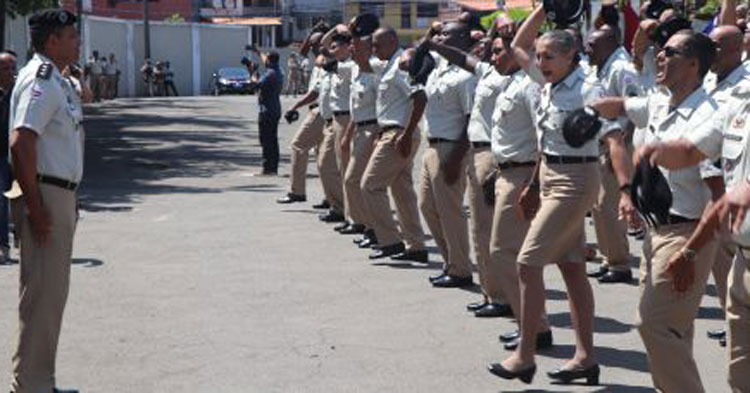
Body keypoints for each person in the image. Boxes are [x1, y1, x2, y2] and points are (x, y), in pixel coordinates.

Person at [489, 6, 634, 384]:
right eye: (539, 56)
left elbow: (615, 138)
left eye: (549, 55)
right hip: (552, 175)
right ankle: (585, 358)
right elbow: (519, 43)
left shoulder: (588, 88)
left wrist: (625, 191)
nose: (540, 61)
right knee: (572, 271)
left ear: (572, 56)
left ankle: (525, 354)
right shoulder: (547, 82)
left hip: (577, 179)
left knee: (527, 262)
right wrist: (545, 7)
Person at [593, 29, 723, 392]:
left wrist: (691, 252)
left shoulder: (708, 117)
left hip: (688, 233)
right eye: (659, 51)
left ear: (694, 64)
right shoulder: (658, 102)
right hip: (656, 233)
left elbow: (718, 197)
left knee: (653, 325)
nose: (659, 57)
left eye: (669, 52)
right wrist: (594, 106)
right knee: (675, 331)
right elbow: (620, 106)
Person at [8, 9, 84, 393]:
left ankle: (39, 381)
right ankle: (31, 386)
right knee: (42, 295)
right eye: (71, 36)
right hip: (45, 194)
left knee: (50, 296)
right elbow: (21, 144)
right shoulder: (40, 81)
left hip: (58, 194)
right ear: (52, 41)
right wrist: (37, 208)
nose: (77, 42)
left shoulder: (59, 80)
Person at [414, 20, 478, 288]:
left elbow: (470, 119)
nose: (439, 38)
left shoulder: (467, 74)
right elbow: (416, 58)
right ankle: (452, 260)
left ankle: (460, 269)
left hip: (452, 148)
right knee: (427, 206)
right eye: (438, 34)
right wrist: (429, 37)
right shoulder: (440, 67)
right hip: (432, 146)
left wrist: (455, 158)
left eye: (445, 34)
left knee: (450, 211)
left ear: (463, 39)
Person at [362, 26, 427, 258]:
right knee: (403, 193)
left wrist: (407, 134)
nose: (374, 49)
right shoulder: (389, 64)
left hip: (399, 134)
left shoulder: (400, 65)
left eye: (377, 45)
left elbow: (420, 96)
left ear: (392, 42)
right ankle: (416, 246)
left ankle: (390, 241)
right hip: (393, 131)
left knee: (370, 186)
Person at [584, 26, 639, 284]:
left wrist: (620, 147)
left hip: (618, 144)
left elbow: (634, 110)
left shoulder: (622, 68)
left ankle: (620, 264)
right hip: (604, 142)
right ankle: (609, 259)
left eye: (593, 45)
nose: (587, 49)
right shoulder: (603, 67)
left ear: (609, 44)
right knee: (598, 206)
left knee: (608, 205)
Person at [337, 35, 382, 238]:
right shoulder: (354, 69)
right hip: (359, 129)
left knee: (356, 180)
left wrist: (378, 134)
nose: (351, 49)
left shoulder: (376, 69)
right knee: (355, 180)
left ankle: (372, 228)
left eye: (356, 46)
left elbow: (382, 106)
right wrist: (348, 134)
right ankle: (363, 224)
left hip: (373, 129)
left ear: (368, 49)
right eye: (351, 46)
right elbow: (356, 107)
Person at [277, 32, 326, 204]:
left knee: (298, 146)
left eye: (315, 44)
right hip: (321, 111)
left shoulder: (325, 61)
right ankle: (333, 198)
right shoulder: (319, 59)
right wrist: (312, 31)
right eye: (311, 44)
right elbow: (303, 51)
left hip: (321, 111)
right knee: (325, 158)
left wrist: (294, 106)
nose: (311, 48)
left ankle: (297, 191)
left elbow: (314, 93)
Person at [251, 51, 283, 176]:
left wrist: (253, 72)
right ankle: (273, 167)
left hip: (267, 110)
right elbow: (266, 60)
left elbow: (255, 84)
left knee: (266, 140)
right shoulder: (278, 70)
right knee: (273, 140)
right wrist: (258, 52)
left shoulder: (270, 74)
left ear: (269, 61)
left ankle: (267, 168)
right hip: (275, 109)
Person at [0, 50, 17, 264]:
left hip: (21, 154)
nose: (11, 72)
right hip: (1, 155)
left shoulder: (21, 91)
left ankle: (23, 241)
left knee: (21, 200)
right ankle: (3, 245)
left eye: (13, 67)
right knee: (2, 201)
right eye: (5, 68)